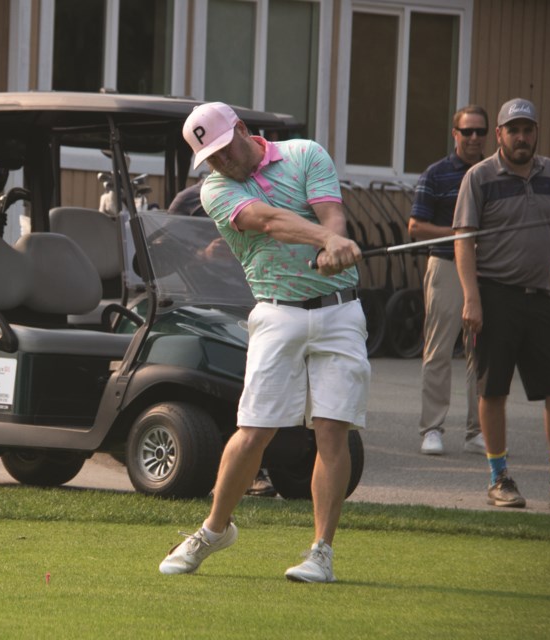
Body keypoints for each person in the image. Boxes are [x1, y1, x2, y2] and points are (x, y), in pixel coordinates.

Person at [159, 102, 368, 581]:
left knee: (332, 430)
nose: (221, 162)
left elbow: (331, 215)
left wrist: (333, 243)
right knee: (253, 430)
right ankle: (214, 529)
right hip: (277, 312)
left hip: (340, 310)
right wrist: (325, 241)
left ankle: (321, 552)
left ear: (243, 130)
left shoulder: (305, 154)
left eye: (223, 149)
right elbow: (268, 220)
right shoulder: (215, 190)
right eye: (209, 157)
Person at [453, 98, 550, 509]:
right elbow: (464, 241)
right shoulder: (479, 178)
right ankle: (499, 478)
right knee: (493, 390)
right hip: (495, 296)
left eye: (527, 129)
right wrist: (472, 299)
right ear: (499, 135)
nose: (521, 137)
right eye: (512, 130)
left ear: (536, 132)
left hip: (543, 296)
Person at [170, 178, 276, 497]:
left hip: (255, 298)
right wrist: (203, 256)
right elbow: (165, 258)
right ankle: (249, 471)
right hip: (204, 301)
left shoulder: (263, 194)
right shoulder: (188, 202)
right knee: (239, 379)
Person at [409, 106, 489, 456]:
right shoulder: (436, 174)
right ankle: (432, 429)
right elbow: (416, 227)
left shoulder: (493, 173)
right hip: (445, 265)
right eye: (466, 131)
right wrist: (462, 235)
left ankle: (478, 431)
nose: (474, 138)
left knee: (483, 352)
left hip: (489, 270)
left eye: (480, 131)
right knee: (439, 349)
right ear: (454, 134)